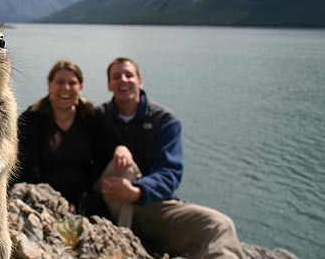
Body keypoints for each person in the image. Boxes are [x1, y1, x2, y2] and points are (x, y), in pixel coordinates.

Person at [94, 57, 245, 259]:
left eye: (129, 75)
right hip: (108, 201)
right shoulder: (97, 116)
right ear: (109, 85)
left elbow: (170, 172)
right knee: (121, 166)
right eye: (116, 76)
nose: (123, 80)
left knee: (219, 225)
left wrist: (137, 192)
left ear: (140, 81)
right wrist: (119, 149)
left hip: (150, 207)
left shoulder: (164, 121)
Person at [14, 60, 98, 213]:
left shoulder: (90, 117)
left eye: (72, 83)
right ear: (49, 84)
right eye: (59, 82)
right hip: (41, 197)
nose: (66, 88)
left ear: (81, 87)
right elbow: (26, 169)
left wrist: (121, 149)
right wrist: (56, 202)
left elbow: (101, 160)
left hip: (83, 197)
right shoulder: (31, 120)